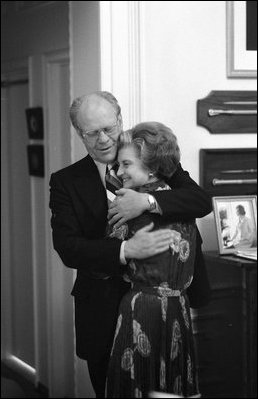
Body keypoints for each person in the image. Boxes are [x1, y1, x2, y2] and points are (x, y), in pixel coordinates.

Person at [49, 91, 211, 398]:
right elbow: (68, 247)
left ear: (120, 119)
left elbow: (200, 201)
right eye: (91, 133)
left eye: (109, 128)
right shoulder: (65, 181)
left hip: (166, 309)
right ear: (79, 133)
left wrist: (147, 201)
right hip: (103, 310)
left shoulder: (151, 156)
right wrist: (126, 251)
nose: (103, 139)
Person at [105, 123, 200, 398]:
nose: (119, 172)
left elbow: (107, 253)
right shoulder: (180, 198)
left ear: (151, 168)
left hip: (143, 309)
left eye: (126, 164)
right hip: (176, 308)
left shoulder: (126, 204)